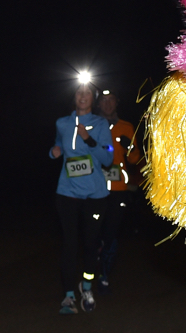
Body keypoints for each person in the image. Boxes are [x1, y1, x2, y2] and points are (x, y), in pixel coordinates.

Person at [49, 79, 114, 314]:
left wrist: (89, 139)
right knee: (69, 244)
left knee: (90, 244)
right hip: (66, 193)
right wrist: (53, 151)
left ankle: (86, 287)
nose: (83, 95)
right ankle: (68, 296)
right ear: (74, 96)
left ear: (93, 99)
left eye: (87, 92)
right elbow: (58, 144)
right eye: (79, 91)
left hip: (94, 195)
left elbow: (108, 157)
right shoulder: (62, 123)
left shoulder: (100, 124)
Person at [96, 90, 141, 290]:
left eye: (111, 100)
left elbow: (134, 159)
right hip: (94, 189)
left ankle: (104, 273)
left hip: (118, 188)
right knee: (94, 232)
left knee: (111, 233)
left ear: (117, 103)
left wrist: (128, 146)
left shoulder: (126, 127)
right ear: (98, 104)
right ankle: (94, 267)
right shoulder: (91, 125)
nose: (107, 104)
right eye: (103, 101)